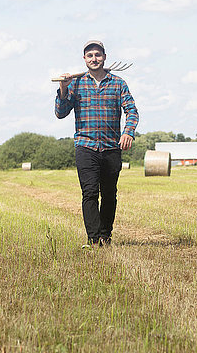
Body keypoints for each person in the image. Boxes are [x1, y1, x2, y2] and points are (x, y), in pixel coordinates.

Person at [55, 40, 139, 248]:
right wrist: (63, 90)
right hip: (86, 146)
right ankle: (94, 240)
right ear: (84, 59)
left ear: (104, 57)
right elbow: (60, 113)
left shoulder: (118, 83)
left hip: (111, 147)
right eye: (90, 55)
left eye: (98, 55)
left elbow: (132, 111)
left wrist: (128, 132)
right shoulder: (76, 83)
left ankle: (105, 236)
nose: (94, 59)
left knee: (109, 194)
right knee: (90, 193)